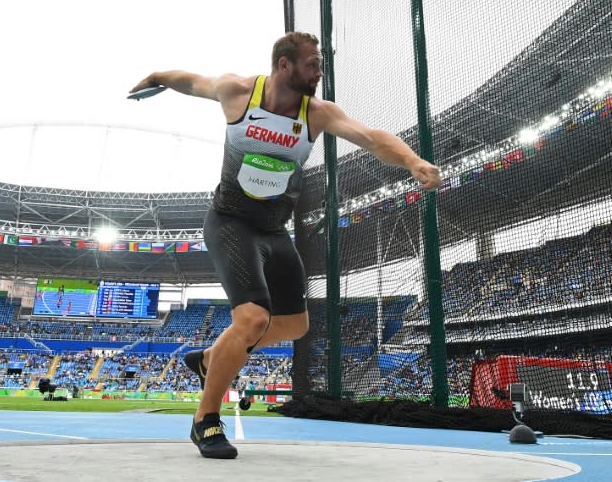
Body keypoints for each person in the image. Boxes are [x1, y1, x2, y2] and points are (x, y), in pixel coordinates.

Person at [130, 31, 441, 459]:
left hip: (276, 231)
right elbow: (192, 81)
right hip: (230, 222)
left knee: (295, 326)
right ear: (284, 65)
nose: (319, 71)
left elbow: (371, 137)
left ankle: (211, 359)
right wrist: (157, 76)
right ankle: (205, 420)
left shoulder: (316, 113)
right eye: (313, 63)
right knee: (254, 319)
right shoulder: (238, 92)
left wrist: (413, 161)